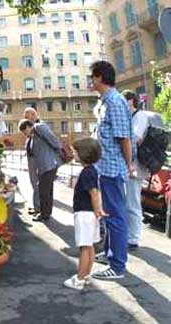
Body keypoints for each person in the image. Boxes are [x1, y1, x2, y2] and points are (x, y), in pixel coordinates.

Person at [90, 61, 133, 280]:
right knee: (109, 215)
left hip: (113, 169)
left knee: (116, 217)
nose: (91, 80)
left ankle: (117, 266)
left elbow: (124, 138)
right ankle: (109, 255)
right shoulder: (105, 102)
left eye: (92, 76)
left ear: (99, 77)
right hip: (105, 168)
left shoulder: (115, 102)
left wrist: (129, 166)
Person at [64, 137, 107, 290]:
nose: (74, 154)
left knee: (84, 247)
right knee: (90, 246)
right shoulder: (92, 171)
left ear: (84, 154)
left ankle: (80, 278)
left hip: (84, 214)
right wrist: (97, 211)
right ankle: (86, 275)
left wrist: (97, 209)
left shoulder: (87, 173)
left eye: (75, 152)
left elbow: (93, 192)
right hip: (90, 214)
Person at [19, 119, 62, 222]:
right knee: (47, 190)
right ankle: (46, 213)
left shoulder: (39, 127)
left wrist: (58, 149)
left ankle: (44, 215)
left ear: (29, 127)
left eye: (25, 132)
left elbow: (53, 139)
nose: (25, 135)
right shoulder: (33, 135)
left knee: (43, 190)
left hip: (49, 164)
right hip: (45, 166)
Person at [122, 90, 148, 250]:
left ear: (131, 101)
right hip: (128, 165)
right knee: (127, 202)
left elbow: (136, 138)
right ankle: (129, 234)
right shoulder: (130, 117)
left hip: (135, 167)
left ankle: (134, 238)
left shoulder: (140, 116)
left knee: (133, 203)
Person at [23, 107, 41, 216]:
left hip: (37, 161)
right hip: (32, 160)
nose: (25, 119)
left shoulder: (39, 127)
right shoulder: (32, 127)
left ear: (33, 115)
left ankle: (38, 208)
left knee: (37, 185)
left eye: (26, 117)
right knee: (34, 184)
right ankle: (36, 206)